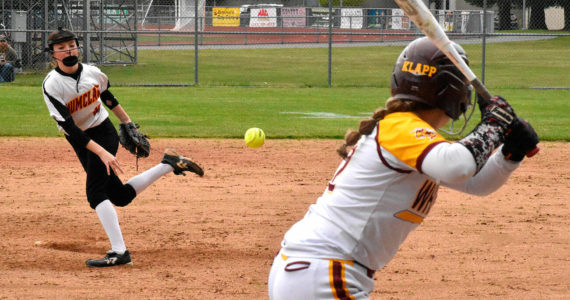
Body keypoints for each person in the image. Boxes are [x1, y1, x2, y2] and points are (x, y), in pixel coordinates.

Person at [267, 37, 539, 299]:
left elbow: (475, 183)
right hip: (324, 274)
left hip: (314, 272)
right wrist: (493, 125)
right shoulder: (402, 127)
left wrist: (509, 153)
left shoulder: (411, 137)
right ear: (455, 94)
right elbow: (459, 165)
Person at [41, 28, 205, 268]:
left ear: (78, 47)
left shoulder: (93, 73)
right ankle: (168, 164)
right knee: (120, 196)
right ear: (53, 54)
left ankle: (120, 252)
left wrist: (127, 122)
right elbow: (71, 130)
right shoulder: (52, 85)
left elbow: (108, 97)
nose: (69, 50)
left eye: (72, 45)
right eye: (62, 47)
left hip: (103, 131)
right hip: (81, 140)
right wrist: (101, 153)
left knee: (95, 194)